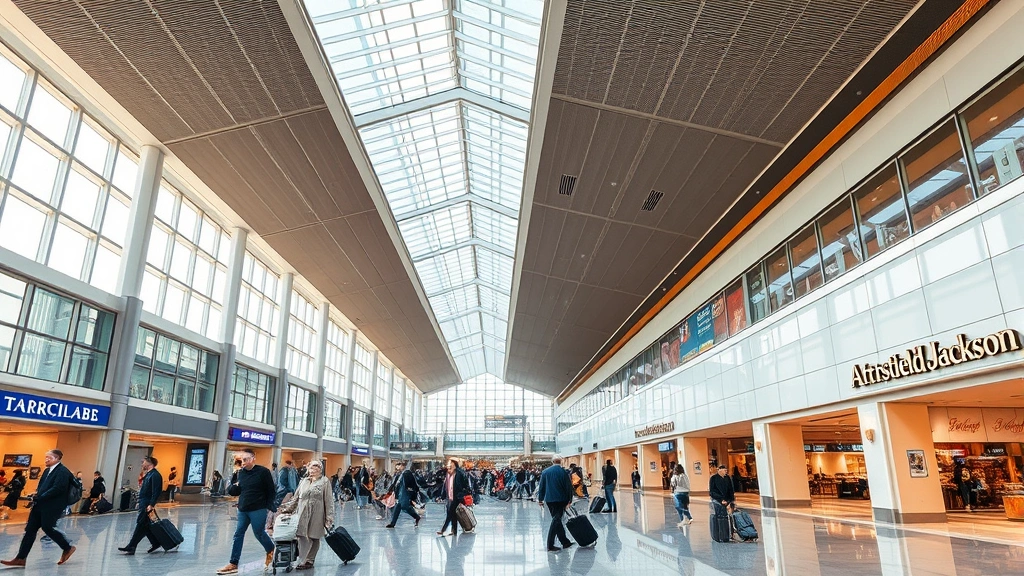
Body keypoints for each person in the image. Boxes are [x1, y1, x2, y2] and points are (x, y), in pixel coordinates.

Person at [1, 449, 77, 567]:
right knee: (30, 530)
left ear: (57, 459)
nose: (46, 460)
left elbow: (58, 488)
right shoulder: (47, 471)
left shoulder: (62, 471)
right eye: (46, 457)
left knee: (47, 527)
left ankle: (67, 547)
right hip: (40, 504)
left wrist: (41, 496)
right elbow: (42, 487)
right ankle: (21, 558)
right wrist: (36, 495)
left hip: (52, 506)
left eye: (49, 458)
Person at [217, 449, 277, 575]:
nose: (243, 462)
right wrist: (232, 486)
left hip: (258, 508)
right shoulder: (240, 473)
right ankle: (233, 563)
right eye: (241, 460)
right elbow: (237, 490)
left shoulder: (263, 472)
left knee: (259, 533)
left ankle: (270, 549)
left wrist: (269, 506)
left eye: (245, 459)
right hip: (243, 508)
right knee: (238, 534)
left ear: (253, 458)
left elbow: (271, 490)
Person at [276, 459, 333, 571]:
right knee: (301, 535)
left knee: (314, 536)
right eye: (311, 468)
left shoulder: (325, 482)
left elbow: (329, 501)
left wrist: (329, 518)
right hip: (302, 512)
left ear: (320, 469)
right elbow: (296, 498)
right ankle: (302, 559)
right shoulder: (304, 481)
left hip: (317, 512)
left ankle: (309, 560)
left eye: (316, 468)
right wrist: (286, 509)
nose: (313, 470)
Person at [118, 455, 165, 555]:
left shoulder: (155, 475)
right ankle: (155, 542)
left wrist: (151, 504)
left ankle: (131, 546)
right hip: (144, 502)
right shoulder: (149, 474)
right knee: (145, 525)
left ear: (149, 463)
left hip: (147, 503)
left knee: (141, 523)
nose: (142, 464)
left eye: (143, 462)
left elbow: (156, 491)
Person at [537, 456, 574, 552]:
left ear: (552, 461)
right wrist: (570, 499)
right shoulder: (563, 472)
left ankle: (565, 542)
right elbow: (568, 487)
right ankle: (550, 544)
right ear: (560, 461)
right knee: (556, 519)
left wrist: (540, 499)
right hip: (561, 499)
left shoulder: (545, 472)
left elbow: (542, 486)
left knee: (557, 520)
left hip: (549, 499)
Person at [436, 458, 471, 537]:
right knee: (453, 514)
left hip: (457, 497)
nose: (448, 465)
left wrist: (464, 493)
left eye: (450, 463)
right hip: (450, 497)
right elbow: (446, 486)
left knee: (450, 514)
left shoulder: (460, 473)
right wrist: (442, 496)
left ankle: (443, 530)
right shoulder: (448, 474)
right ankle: (454, 531)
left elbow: (466, 485)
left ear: (454, 464)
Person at [385, 461, 421, 528]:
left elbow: (413, 483)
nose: (398, 467)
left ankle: (416, 517)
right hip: (400, 494)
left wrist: (413, 491)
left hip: (405, 493)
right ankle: (393, 523)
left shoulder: (407, 473)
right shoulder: (400, 474)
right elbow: (396, 484)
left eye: (399, 465)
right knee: (397, 508)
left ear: (403, 466)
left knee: (405, 506)